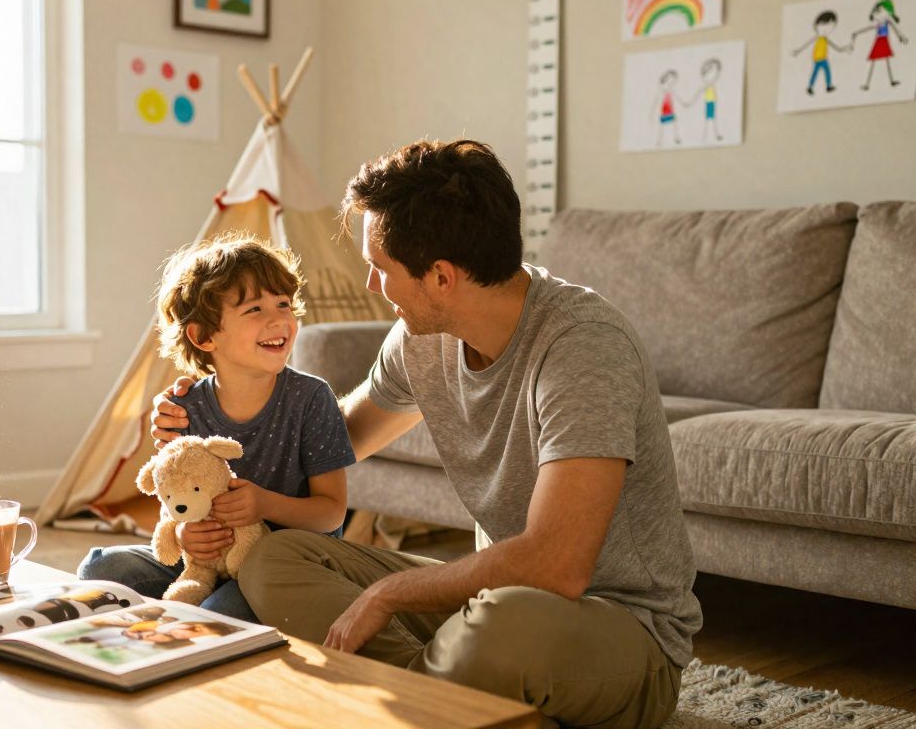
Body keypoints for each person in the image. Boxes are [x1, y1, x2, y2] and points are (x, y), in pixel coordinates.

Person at [152, 140, 703, 728]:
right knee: (274, 559)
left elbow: (558, 565)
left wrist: (390, 594)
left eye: (381, 267)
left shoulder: (583, 347)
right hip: (485, 606)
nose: (370, 283)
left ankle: (417, 701)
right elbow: (331, 440)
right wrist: (213, 418)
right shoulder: (421, 339)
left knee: (501, 626)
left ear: (440, 276)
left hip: (614, 627)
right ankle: (457, 703)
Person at [77, 232, 357, 622]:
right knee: (100, 570)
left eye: (283, 304)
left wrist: (262, 504)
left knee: (213, 617)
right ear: (204, 336)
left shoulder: (312, 398)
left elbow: (331, 514)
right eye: (255, 309)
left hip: (283, 566)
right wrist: (181, 536)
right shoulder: (183, 408)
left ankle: (208, 607)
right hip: (206, 563)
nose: (280, 319)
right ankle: (190, 604)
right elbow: (175, 503)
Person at [852, 0, 908, 91]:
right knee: (874, 61)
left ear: (888, 12)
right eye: (876, 11)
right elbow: (868, 28)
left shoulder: (887, 21)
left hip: (884, 41)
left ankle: (891, 80)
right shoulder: (878, 24)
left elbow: (896, 29)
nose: (876, 14)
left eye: (880, 10)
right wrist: (857, 32)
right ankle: (867, 84)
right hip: (879, 41)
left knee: (887, 60)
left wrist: (901, 37)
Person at [791, 10, 852, 95]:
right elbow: (807, 44)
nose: (826, 30)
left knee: (826, 72)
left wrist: (845, 48)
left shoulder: (826, 39)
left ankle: (827, 86)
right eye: (824, 26)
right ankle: (811, 87)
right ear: (817, 26)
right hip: (817, 58)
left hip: (823, 58)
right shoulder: (817, 37)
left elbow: (837, 48)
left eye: (831, 27)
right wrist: (798, 51)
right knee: (815, 73)